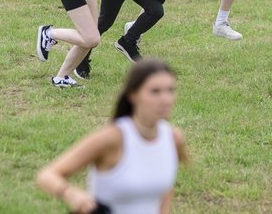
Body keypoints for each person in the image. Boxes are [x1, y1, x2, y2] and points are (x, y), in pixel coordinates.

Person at [36, 59, 188, 213]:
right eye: (155, 91)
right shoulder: (113, 138)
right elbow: (48, 175)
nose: (166, 99)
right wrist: (72, 194)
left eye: (170, 90)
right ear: (133, 95)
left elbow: (166, 191)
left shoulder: (173, 138)